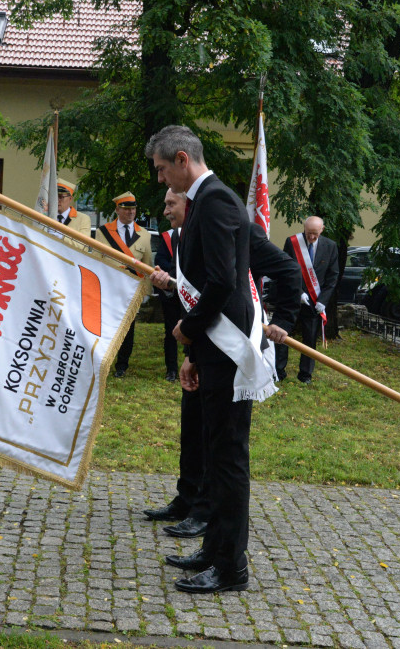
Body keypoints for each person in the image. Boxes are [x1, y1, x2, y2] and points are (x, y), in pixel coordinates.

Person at [145, 124, 290, 594]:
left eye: (164, 171)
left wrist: (188, 328)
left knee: (229, 461)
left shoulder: (216, 200)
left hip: (230, 354)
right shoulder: (207, 201)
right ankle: (214, 549)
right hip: (215, 353)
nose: (164, 181)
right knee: (217, 454)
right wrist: (195, 353)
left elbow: (225, 284)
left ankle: (231, 567)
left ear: (183, 159)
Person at [149, 189, 303, 543]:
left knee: (216, 439)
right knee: (193, 426)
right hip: (203, 346)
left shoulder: (238, 230)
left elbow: (287, 271)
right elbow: (194, 294)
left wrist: (286, 320)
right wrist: (171, 291)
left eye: (172, 201)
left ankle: (205, 511)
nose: (166, 208)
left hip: (232, 349)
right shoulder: (185, 237)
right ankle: (188, 498)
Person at [275, 216, 339, 383]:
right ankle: (278, 372)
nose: (311, 237)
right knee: (282, 336)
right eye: (308, 233)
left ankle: (305, 375)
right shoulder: (292, 242)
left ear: (322, 230)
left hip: (315, 303)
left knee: (310, 339)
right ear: (304, 228)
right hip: (292, 299)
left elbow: (332, 277)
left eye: (315, 234)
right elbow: (285, 270)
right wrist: (299, 292)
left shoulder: (330, 246)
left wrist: (323, 301)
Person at [97, 191, 152, 377]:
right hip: (110, 287)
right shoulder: (103, 232)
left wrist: (146, 292)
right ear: (117, 210)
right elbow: (97, 260)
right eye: (126, 209)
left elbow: (147, 265)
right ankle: (104, 361)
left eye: (133, 209)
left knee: (128, 329)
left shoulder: (143, 234)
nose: (131, 213)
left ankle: (122, 365)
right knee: (106, 326)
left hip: (131, 289)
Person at [153, 189, 181, 382]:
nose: (166, 212)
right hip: (172, 292)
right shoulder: (167, 237)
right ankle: (171, 369)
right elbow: (161, 260)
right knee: (171, 332)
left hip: (191, 295)